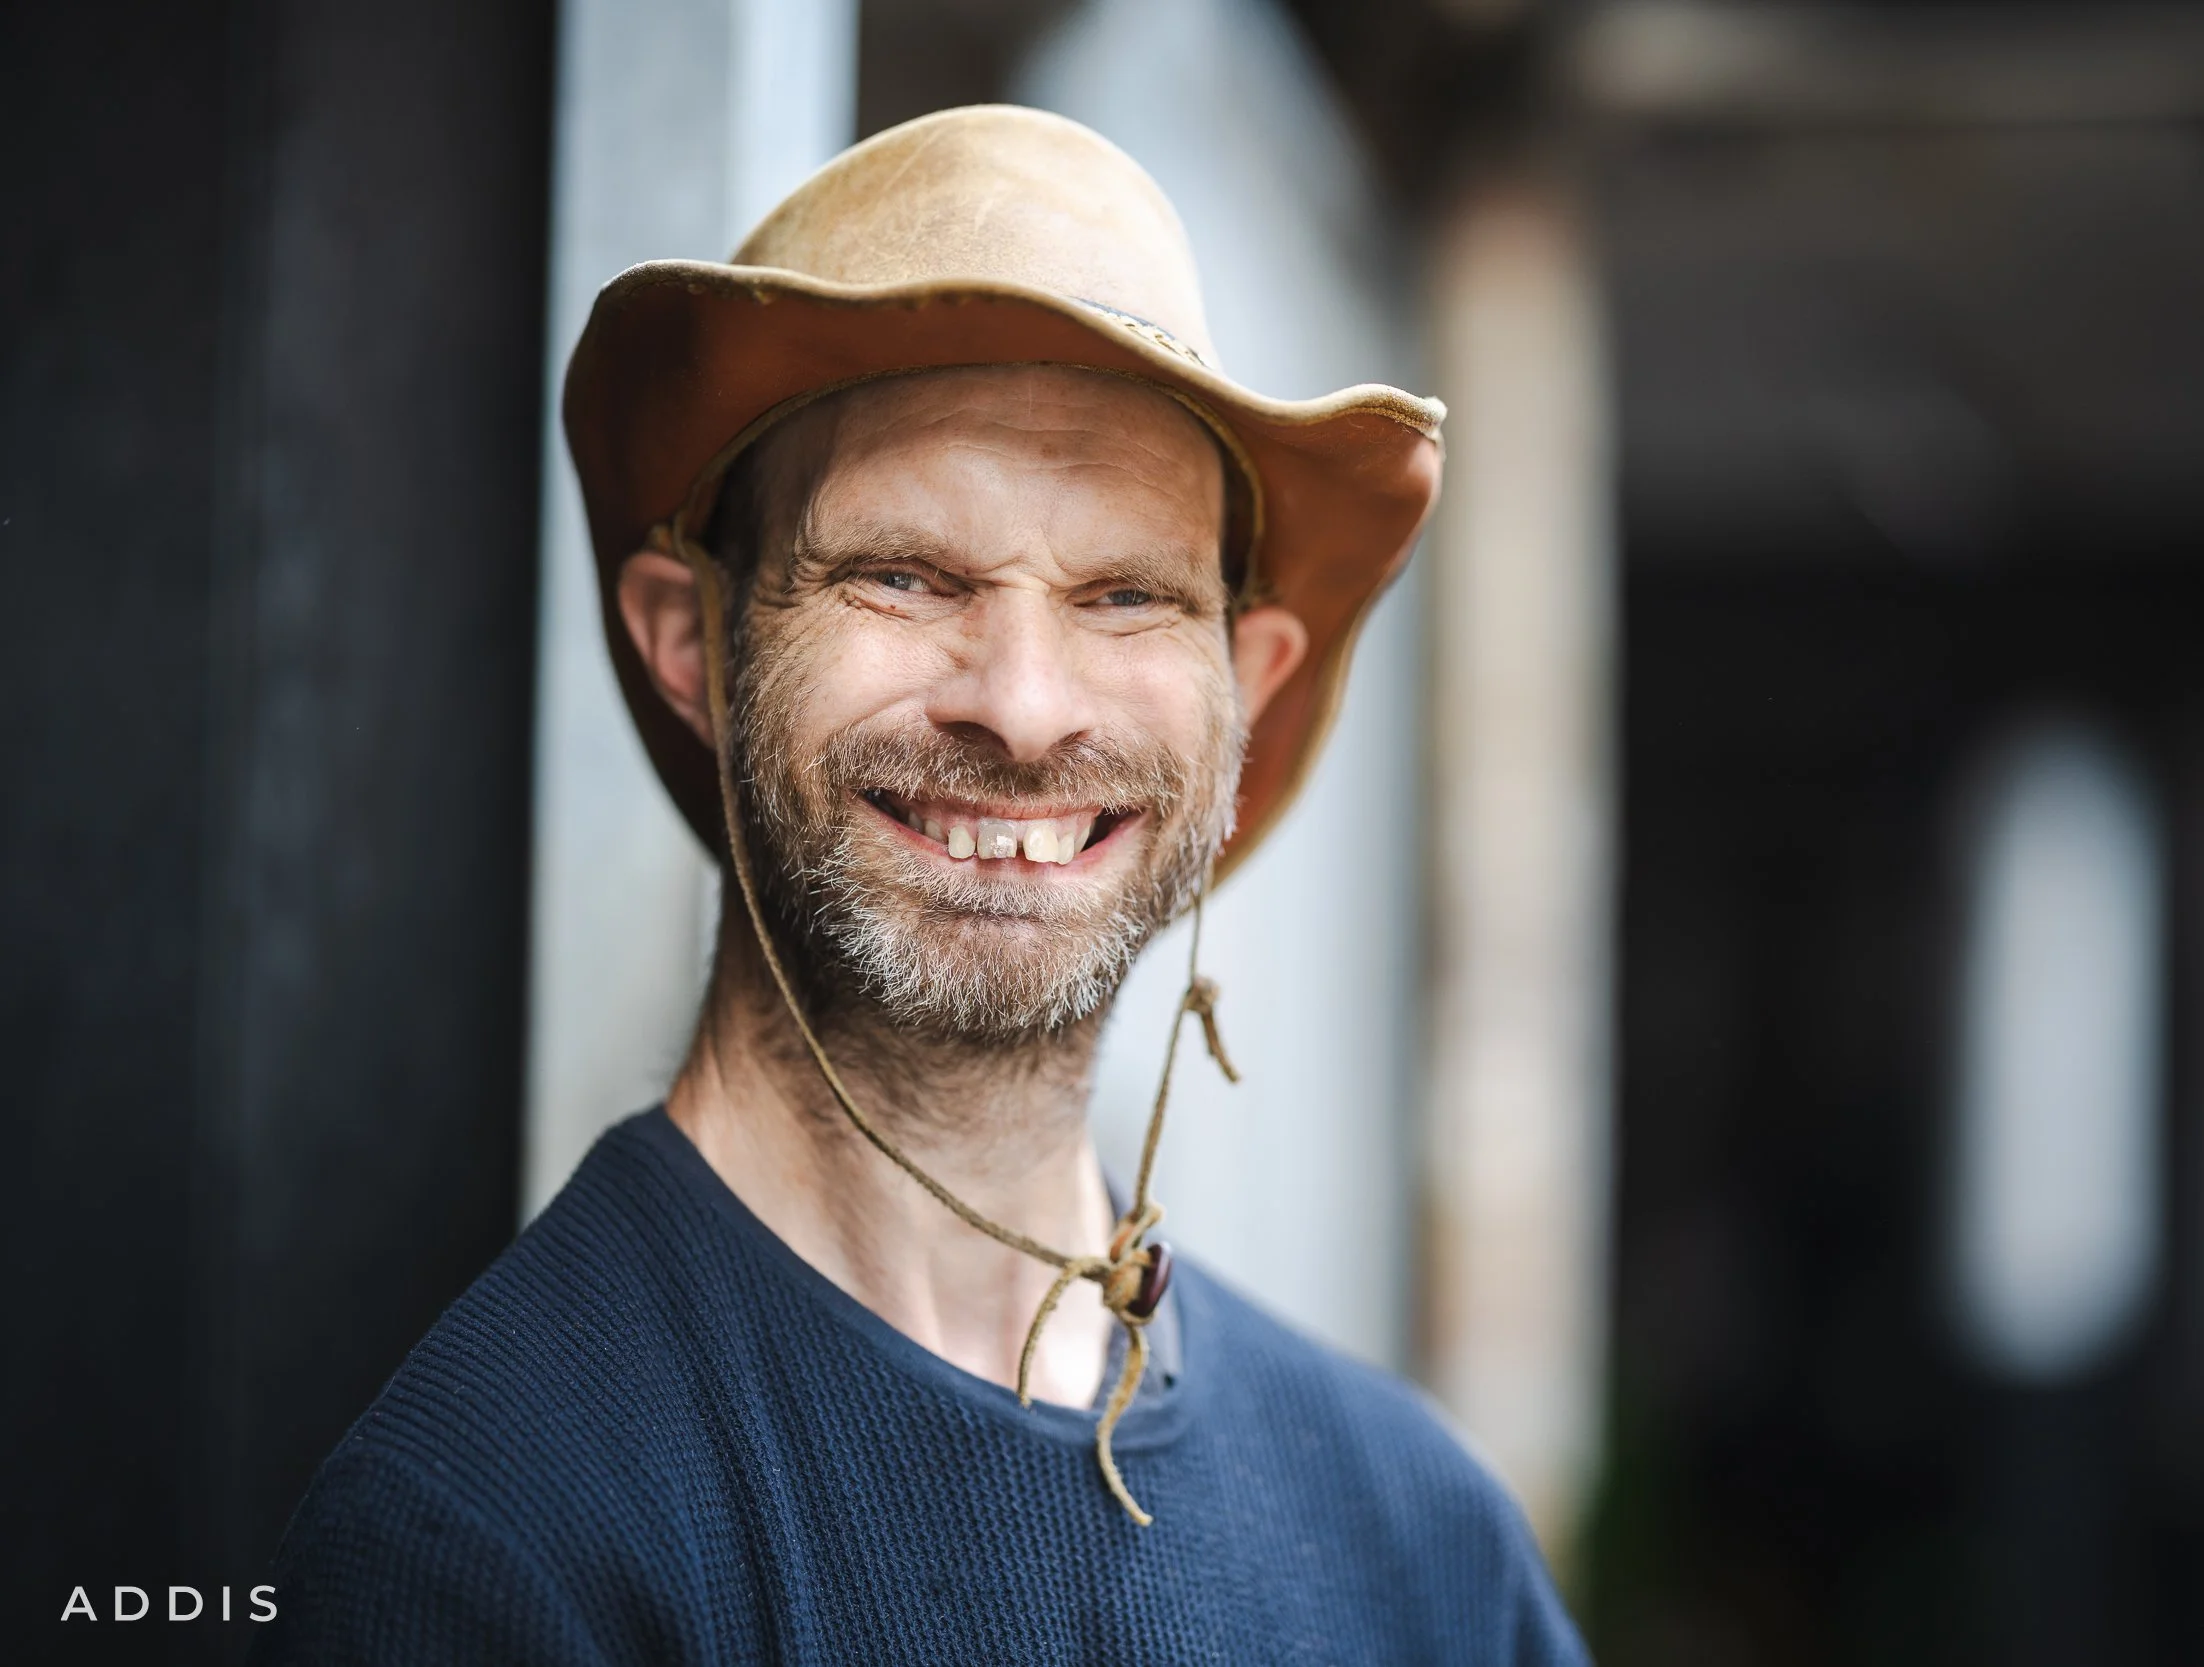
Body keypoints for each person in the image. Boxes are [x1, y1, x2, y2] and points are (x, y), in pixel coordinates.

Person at [258, 105, 1587, 1664]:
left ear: (1249, 688)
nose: (1024, 704)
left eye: (1126, 596)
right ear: (694, 642)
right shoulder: (489, 1540)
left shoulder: (1420, 1542)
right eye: (901, 573)